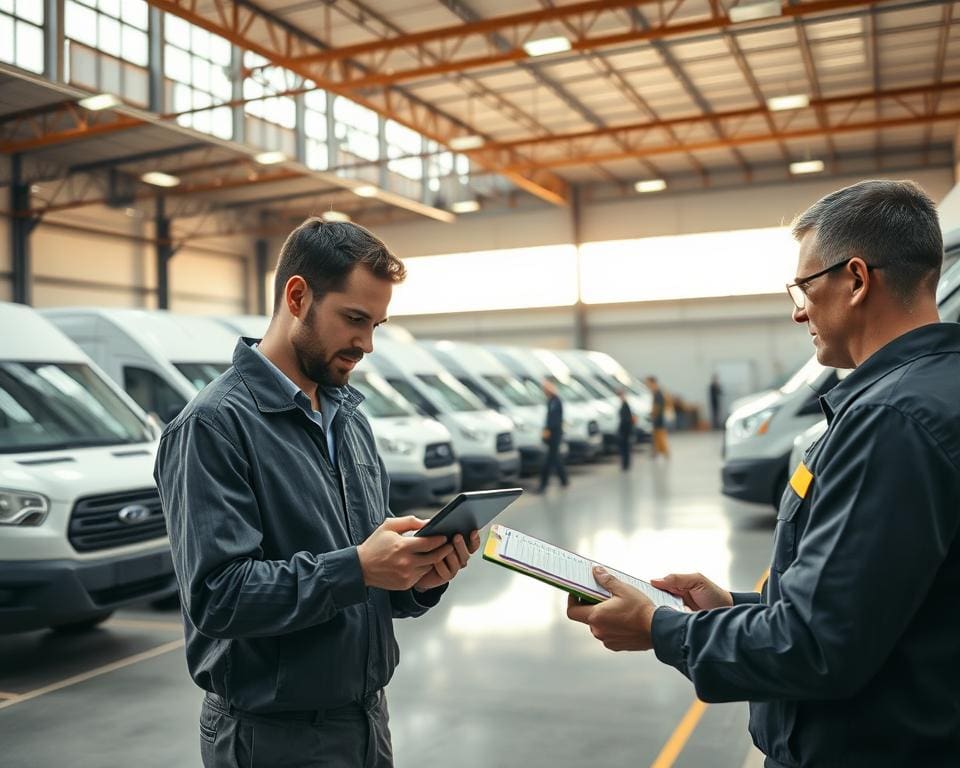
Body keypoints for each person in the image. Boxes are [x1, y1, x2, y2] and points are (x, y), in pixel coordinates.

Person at [566, 179, 960, 766]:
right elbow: (879, 603)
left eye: (804, 286)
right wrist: (738, 607)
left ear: (856, 279)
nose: (798, 309)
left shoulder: (889, 420)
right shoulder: (937, 390)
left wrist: (660, 627)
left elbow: (818, 646)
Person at [154, 218, 480, 768]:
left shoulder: (347, 418)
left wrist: (419, 577)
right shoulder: (213, 426)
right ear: (298, 296)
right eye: (354, 319)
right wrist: (358, 568)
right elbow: (218, 595)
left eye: (376, 324)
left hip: (365, 721)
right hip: (273, 738)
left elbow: (367, 581)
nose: (367, 344)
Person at [537, 378, 568, 493]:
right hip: (552, 434)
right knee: (555, 458)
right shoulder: (550, 401)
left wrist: (548, 430)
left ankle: (543, 485)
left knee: (549, 460)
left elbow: (554, 420)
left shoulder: (556, 401)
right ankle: (564, 480)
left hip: (555, 434)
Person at [645, 375, 670, 458]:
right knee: (656, 436)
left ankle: (664, 452)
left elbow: (658, 407)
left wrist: (653, 414)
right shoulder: (655, 392)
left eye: (648, 382)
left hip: (658, 418)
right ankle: (656, 451)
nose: (647, 385)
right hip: (657, 418)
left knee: (660, 436)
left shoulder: (658, 393)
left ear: (653, 383)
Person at [616, 388, 635, 470]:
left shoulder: (625, 405)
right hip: (625, 429)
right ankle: (625, 464)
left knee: (625, 448)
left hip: (625, 430)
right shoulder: (624, 404)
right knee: (625, 448)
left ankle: (625, 464)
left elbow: (627, 419)